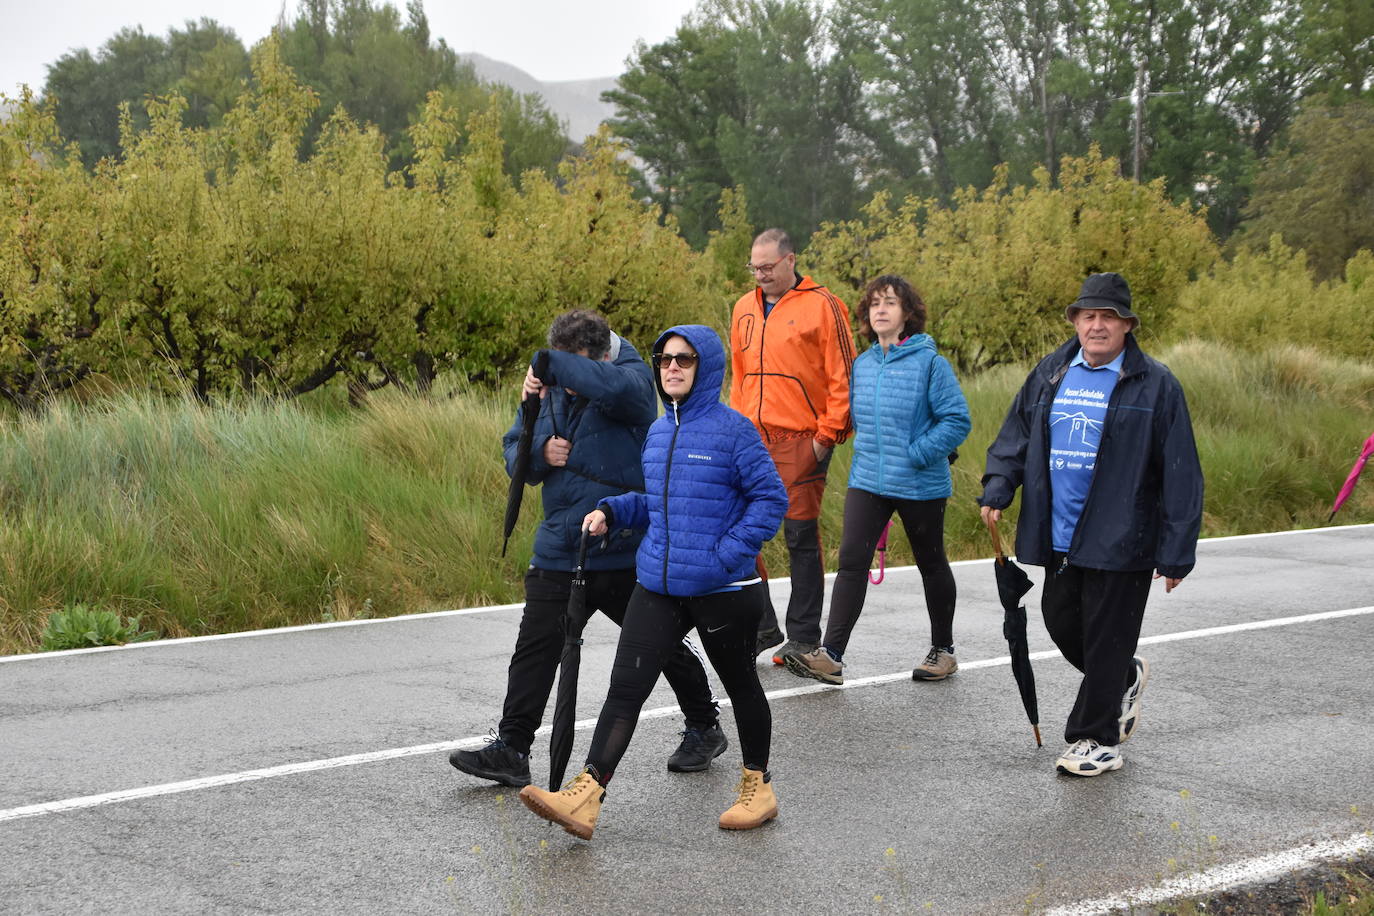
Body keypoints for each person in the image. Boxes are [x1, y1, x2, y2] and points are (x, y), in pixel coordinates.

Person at [518, 324, 788, 840]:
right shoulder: (660, 431)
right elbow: (660, 505)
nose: (671, 368)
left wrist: (724, 557)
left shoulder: (734, 431)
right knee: (625, 690)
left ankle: (758, 787)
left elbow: (770, 501)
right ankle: (587, 795)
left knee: (740, 685)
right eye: (665, 358)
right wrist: (614, 510)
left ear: (704, 366)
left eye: (684, 360)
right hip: (659, 580)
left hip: (723, 589)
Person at [450, 310, 728, 789]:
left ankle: (704, 725)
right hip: (563, 543)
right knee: (534, 650)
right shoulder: (549, 386)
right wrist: (539, 454)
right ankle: (513, 749)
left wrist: (549, 365)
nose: (569, 384)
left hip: (624, 546)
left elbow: (620, 393)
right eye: (561, 369)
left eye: (573, 369)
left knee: (655, 648)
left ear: (602, 356)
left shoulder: (636, 378)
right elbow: (514, 447)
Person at [978, 273, 1203, 777]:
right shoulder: (1053, 372)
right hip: (1060, 533)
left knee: (1105, 635)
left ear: (1126, 325)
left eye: (1108, 317)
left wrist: (1176, 549)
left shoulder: (1157, 384)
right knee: (1061, 622)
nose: (1097, 325)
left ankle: (1095, 738)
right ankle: (1122, 674)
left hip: (1126, 533)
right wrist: (999, 484)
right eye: (1088, 316)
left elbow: (1181, 470)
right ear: (1076, 322)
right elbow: (1016, 432)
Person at [783, 275, 971, 685]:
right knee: (851, 561)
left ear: (908, 314)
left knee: (931, 562)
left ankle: (943, 651)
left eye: (890, 303)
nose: (880, 310)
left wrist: (918, 453)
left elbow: (957, 420)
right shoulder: (863, 365)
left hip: (920, 482)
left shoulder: (930, 364)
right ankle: (831, 655)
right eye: (874, 304)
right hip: (868, 479)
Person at [729, 228, 855, 665]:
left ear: (790, 260)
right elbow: (739, 376)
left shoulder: (824, 305)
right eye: (754, 267)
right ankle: (761, 628)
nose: (760, 275)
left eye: (767, 267)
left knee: (800, 536)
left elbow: (844, 376)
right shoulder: (743, 308)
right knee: (742, 533)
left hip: (803, 437)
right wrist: (734, 431)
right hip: (751, 440)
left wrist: (826, 438)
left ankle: (803, 637)